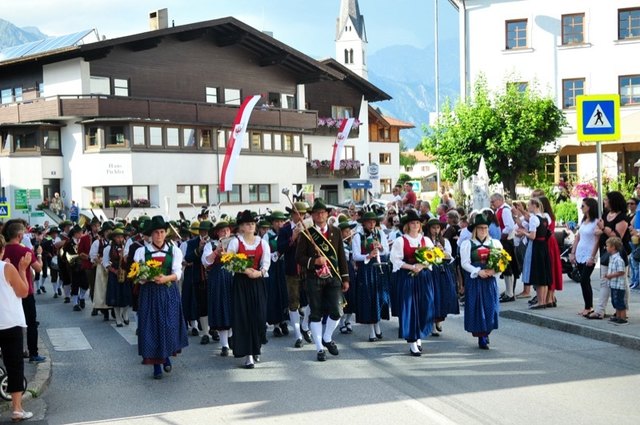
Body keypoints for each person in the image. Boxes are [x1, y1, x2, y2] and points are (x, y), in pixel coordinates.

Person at [133, 215, 188, 379]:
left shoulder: (174, 250)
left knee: (168, 324)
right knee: (151, 327)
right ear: (151, 234)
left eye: (162, 232)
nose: (159, 235)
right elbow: (138, 276)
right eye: (156, 232)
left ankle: (166, 356)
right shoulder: (142, 251)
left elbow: (178, 273)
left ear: (166, 233)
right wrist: (148, 278)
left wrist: (165, 279)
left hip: (168, 291)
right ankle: (156, 365)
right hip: (149, 293)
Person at [296, 199, 350, 362]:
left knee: (337, 310)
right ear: (312, 215)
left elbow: (341, 255)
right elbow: (299, 257)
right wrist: (314, 262)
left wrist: (345, 278)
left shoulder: (336, 231)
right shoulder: (307, 233)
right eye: (316, 213)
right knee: (316, 313)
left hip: (333, 276)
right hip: (314, 278)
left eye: (323, 213)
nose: (320, 215)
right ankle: (319, 347)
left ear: (327, 214)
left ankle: (327, 337)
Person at [227, 210, 271, 369]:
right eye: (247, 224)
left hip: (257, 282)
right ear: (241, 227)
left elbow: (266, 263)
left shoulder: (262, 242)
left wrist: (260, 272)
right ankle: (248, 354)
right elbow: (228, 261)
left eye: (252, 223)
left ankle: (256, 345)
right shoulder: (235, 242)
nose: (251, 226)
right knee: (244, 317)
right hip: (240, 283)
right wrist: (244, 270)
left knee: (258, 316)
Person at [390, 210, 435, 355]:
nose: (415, 225)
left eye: (417, 223)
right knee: (410, 308)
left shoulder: (426, 240)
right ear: (407, 225)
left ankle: (419, 335)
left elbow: (432, 257)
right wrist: (412, 267)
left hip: (423, 277)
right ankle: (412, 341)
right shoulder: (401, 241)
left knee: (424, 306)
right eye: (412, 223)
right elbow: (395, 260)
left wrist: (422, 266)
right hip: (408, 277)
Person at [2, 220, 46, 364]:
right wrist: (39, 254)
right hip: (25, 290)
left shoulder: (4, 250)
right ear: (20, 235)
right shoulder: (25, 251)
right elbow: (38, 268)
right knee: (31, 323)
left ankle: (15, 352)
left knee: (12, 325)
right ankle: (33, 353)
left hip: (7, 293)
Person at [0, 234, 34, 422]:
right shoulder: (7, 267)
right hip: (9, 323)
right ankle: (17, 409)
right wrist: (22, 269)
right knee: (14, 366)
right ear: (2, 249)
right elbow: (23, 291)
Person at [460, 213, 503, 349]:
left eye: (485, 228)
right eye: (480, 228)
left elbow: (502, 261)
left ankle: (487, 331)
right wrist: (478, 271)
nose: (483, 230)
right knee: (477, 307)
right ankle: (481, 336)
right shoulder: (468, 244)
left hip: (489, 280)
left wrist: (494, 271)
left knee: (491, 308)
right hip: (475, 280)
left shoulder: (495, 243)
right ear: (475, 230)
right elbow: (465, 263)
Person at [588, 191, 630, 320]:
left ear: (613, 201)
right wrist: (601, 230)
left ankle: (622, 310)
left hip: (618, 253)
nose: (605, 202)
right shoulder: (606, 214)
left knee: (622, 281)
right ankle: (600, 310)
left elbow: (617, 238)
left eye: (606, 200)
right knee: (604, 281)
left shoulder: (622, 217)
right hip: (605, 251)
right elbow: (598, 231)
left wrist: (603, 228)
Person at [352, 211, 390, 342]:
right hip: (366, 270)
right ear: (364, 223)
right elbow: (355, 255)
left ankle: (377, 325)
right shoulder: (358, 236)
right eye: (369, 222)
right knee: (369, 299)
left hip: (378, 268)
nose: (372, 224)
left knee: (380, 298)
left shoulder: (380, 234)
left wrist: (380, 248)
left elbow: (387, 250)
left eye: (374, 222)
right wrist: (368, 256)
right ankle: (371, 330)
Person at [279, 201, 311, 348]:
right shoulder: (285, 229)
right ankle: (298, 335)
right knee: (293, 303)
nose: (301, 217)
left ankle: (305, 326)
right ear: (292, 214)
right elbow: (281, 248)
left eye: (303, 214)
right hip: (292, 270)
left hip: (307, 268)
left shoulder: (309, 227)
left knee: (312, 299)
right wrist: (293, 236)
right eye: (298, 214)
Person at [202, 220, 235, 356]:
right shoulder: (210, 245)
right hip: (218, 278)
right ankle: (224, 345)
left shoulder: (235, 243)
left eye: (227, 230)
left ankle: (231, 337)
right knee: (221, 308)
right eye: (222, 231)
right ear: (217, 233)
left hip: (232, 277)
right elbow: (205, 262)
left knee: (233, 308)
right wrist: (216, 252)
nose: (226, 232)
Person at [516, 198, 552, 309]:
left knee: (538, 274)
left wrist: (523, 232)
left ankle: (541, 301)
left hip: (536, 246)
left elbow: (532, 236)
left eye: (529, 205)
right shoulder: (545, 217)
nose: (528, 207)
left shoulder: (534, 219)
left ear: (535, 205)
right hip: (544, 246)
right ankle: (544, 301)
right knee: (544, 275)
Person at [182, 221, 213, 344]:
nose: (204, 233)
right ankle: (205, 332)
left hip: (214, 278)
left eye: (206, 231)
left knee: (214, 305)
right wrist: (199, 248)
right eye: (202, 231)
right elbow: (188, 258)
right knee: (202, 305)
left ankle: (214, 329)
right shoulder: (192, 243)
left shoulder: (216, 242)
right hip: (199, 279)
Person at [570, 198, 600, 317]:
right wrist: (573, 252)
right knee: (584, 281)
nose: (581, 208)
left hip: (589, 253)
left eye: (583, 206)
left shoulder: (596, 221)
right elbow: (578, 237)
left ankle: (589, 306)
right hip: (580, 252)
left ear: (589, 207)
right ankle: (587, 306)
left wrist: (592, 257)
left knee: (584, 279)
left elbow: (597, 241)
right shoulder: (584, 221)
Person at [263, 211, 290, 338]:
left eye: (281, 221)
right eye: (277, 222)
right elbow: (265, 254)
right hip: (273, 268)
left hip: (284, 267)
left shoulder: (286, 234)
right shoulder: (267, 236)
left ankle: (284, 321)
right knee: (274, 295)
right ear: (272, 223)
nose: (279, 224)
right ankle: (276, 325)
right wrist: (276, 255)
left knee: (284, 294)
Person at [490, 194, 520, 303]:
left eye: (493, 201)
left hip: (506, 241)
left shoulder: (505, 210)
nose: (492, 204)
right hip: (503, 240)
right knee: (505, 267)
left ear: (499, 200)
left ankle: (510, 293)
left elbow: (509, 226)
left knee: (507, 267)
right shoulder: (500, 209)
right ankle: (508, 291)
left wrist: (502, 234)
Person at [104, 228, 132, 327]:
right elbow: (106, 263)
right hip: (114, 274)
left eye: (121, 237)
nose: (120, 239)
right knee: (115, 297)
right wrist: (115, 271)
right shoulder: (108, 248)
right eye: (118, 237)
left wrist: (124, 256)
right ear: (114, 238)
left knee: (127, 295)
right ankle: (118, 318)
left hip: (125, 273)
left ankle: (125, 313)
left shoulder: (126, 247)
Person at [539, 196, 563, 307]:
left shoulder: (545, 216)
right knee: (552, 268)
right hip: (551, 241)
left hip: (547, 242)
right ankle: (551, 297)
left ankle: (549, 297)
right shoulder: (549, 215)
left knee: (550, 269)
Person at [91, 222, 114, 321]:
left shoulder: (115, 242)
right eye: (107, 231)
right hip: (101, 269)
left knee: (112, 289)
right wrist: (98, 260)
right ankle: (105, 312)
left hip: (113, 268)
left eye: (110, 231)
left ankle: (113, 308)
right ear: (103, 233)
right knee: (103, 290)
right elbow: (92, 256)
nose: (109, 233)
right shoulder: (97, 243)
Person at [603, 237, 628, 324]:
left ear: (613, 247)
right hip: (614, 284)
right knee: (615, 301)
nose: (606, 247)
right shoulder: (612, 258)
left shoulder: (618, 259)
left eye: (607, 246)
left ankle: (623, 318)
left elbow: (621, 271)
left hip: (619, 285)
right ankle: (617, 316)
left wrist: (610, 275)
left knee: (620, 301)